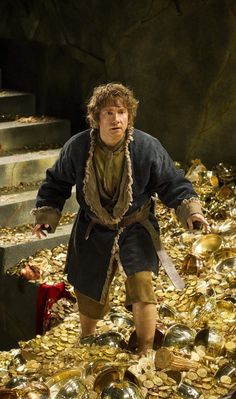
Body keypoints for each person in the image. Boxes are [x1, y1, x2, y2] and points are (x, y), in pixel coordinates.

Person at [32, 83, 210, 354]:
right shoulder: (78, 148)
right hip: (93, 227)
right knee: (88, 286)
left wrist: (191, 211)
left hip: (135, 224)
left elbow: (172, 182)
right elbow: (56, 182)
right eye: (108, 113)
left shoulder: (147, 147)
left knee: (142, 285)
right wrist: (46, 214)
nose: (116, 119)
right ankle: (87, 342)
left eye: (121, 112)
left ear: (129, 116)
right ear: (96, 118)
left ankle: (145, 350)